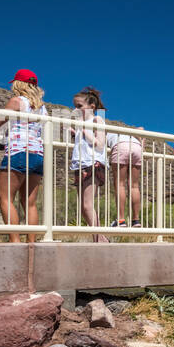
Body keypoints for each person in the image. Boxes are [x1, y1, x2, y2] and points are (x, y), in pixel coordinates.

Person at [0, 69, 47, 242]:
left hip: (19, 152)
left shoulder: (16, 101)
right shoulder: (42, 108)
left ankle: (15, 241)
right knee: (29, 202)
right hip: (37, 154)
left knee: (4, 198)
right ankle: (31, 243)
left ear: (18, 84)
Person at [70, 88, 109, 242]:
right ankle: (99, 239)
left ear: (92, 106)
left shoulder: (97, 120)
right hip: (81, 164)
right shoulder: (84, 123)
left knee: (87, 205)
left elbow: (99, 144)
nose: (75, 110)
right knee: (83, 207)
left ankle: (100, 240)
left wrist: (83, 129)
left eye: (79, 106)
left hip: (92, 164)